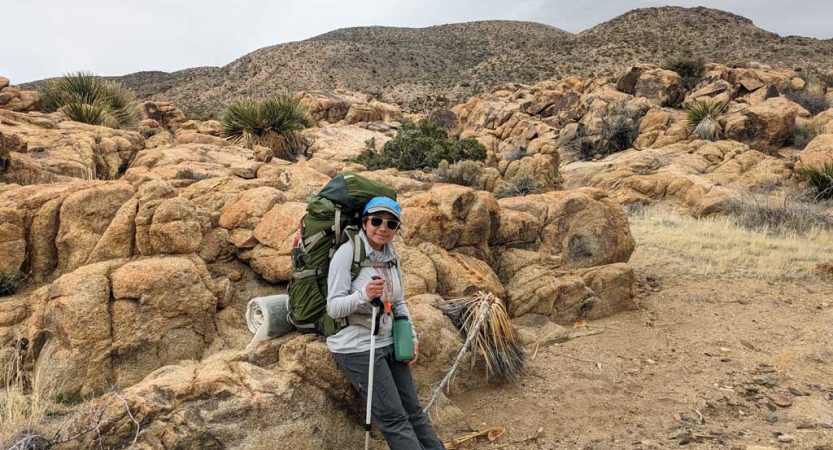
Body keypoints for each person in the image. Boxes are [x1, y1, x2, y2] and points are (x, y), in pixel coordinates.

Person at [326, 196, 444, 450]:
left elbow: (399, 303)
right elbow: (333, 308)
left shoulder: (391, 256)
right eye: (377, 220)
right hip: (357, 345)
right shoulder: (347, 254)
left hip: (389, 340)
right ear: (365, 222)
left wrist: (411, 336)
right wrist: (364, 295)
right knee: (394, 417)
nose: (383, 228)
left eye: (391, 224)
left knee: (414, 411)